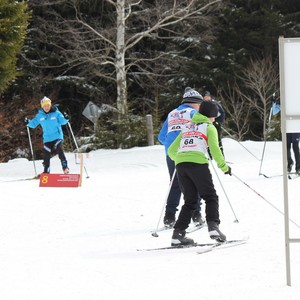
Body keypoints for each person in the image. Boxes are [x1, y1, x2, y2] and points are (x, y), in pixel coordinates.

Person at [168, 101, 232, 246]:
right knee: (210, 196)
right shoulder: (209, 127)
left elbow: (171, 150)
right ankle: (213, 227)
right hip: (198, 163)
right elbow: (215, 150)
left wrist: (181, 157)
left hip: (181, 165)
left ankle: (178, 234)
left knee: (190, 201)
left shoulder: (187, 126)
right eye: (214, 116)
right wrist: (224, 167)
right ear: (210, 115)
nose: (215, 119)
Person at [158, 87, 205, 227]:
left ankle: (169, 217)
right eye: (200, 104)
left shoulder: (172, 113)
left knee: (175, 184)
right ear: (195, 103)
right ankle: (196, 216)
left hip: (171, 154)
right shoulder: (194, 113)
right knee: (193, 183)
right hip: (188, 152)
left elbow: (161, 137)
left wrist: (170, 145)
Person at [25, 96, 70, 174]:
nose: (47, 107)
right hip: (47, 138)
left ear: (50, 105)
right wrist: (28, 122)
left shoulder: (56, 113)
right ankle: (46, 170)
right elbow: (33, 124)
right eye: (45, 106)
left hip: (57, 136)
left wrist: (66, 118)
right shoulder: (40, 115)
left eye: (48, 105)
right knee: (46, 153)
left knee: (59, 148)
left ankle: (65, 167)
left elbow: (63, 121)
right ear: (42, 106)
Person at [203, 91, 225, 156]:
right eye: (205, 97)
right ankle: (210, 155)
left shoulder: (215, 103)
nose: (207, 98)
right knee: (209, 140)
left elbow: (222, 113)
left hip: (216, 123)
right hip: (207, 124)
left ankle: (221, 155)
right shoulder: (202, 105)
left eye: (208, 97)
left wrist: (219, 121)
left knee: (217, 139)